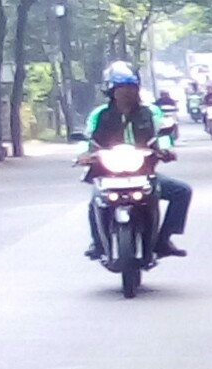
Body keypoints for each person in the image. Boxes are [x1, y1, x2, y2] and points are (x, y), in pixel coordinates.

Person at [81, 63, 190, 260]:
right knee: (95, 200)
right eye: (121, 89)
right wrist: (84, 155)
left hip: (143, 173)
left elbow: (162, 135)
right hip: (108, 174)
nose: (126, 93)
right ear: (111, 91)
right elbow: (87, 139)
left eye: (131, 88)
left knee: (182, 191)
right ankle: (97, 243)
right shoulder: (100, 115)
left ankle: (163, 240)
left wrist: (166, 149)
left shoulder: (150, 112)